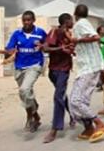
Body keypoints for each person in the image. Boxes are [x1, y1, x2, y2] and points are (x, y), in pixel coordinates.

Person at [68, 4, 104, 142]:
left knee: (75, 100)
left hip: (89, 68)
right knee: (80, 101)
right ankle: (88, 127)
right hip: (89, 67)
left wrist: (77, 40)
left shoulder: (80, 24)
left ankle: (99, 124)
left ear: (75, 13)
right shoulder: (84, 23)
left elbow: (96, 37)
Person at [1, 10, 46, 132]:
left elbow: (47, 46)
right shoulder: (17, 34)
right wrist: (8, 53)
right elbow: (10, 48)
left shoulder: (40, 32)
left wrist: (43, 46)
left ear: (33, 20)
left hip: (35, 65)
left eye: (29, 20)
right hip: (19, 67)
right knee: (25, 94)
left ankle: (29, 116)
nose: (26, 22)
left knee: (24, 90)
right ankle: (35, 116)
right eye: (24, 20)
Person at [42, 13, 75, 143]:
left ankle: (54, 129)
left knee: (58, 96)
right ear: (66, 22)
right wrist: (61, 48)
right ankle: (73, 114)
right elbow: (45, 49)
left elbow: (72, 48)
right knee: (60, 95)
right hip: (53, 70)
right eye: (71, 21)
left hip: (64, 69)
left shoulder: (70, 35)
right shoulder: (54, 32)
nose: (73, 23)